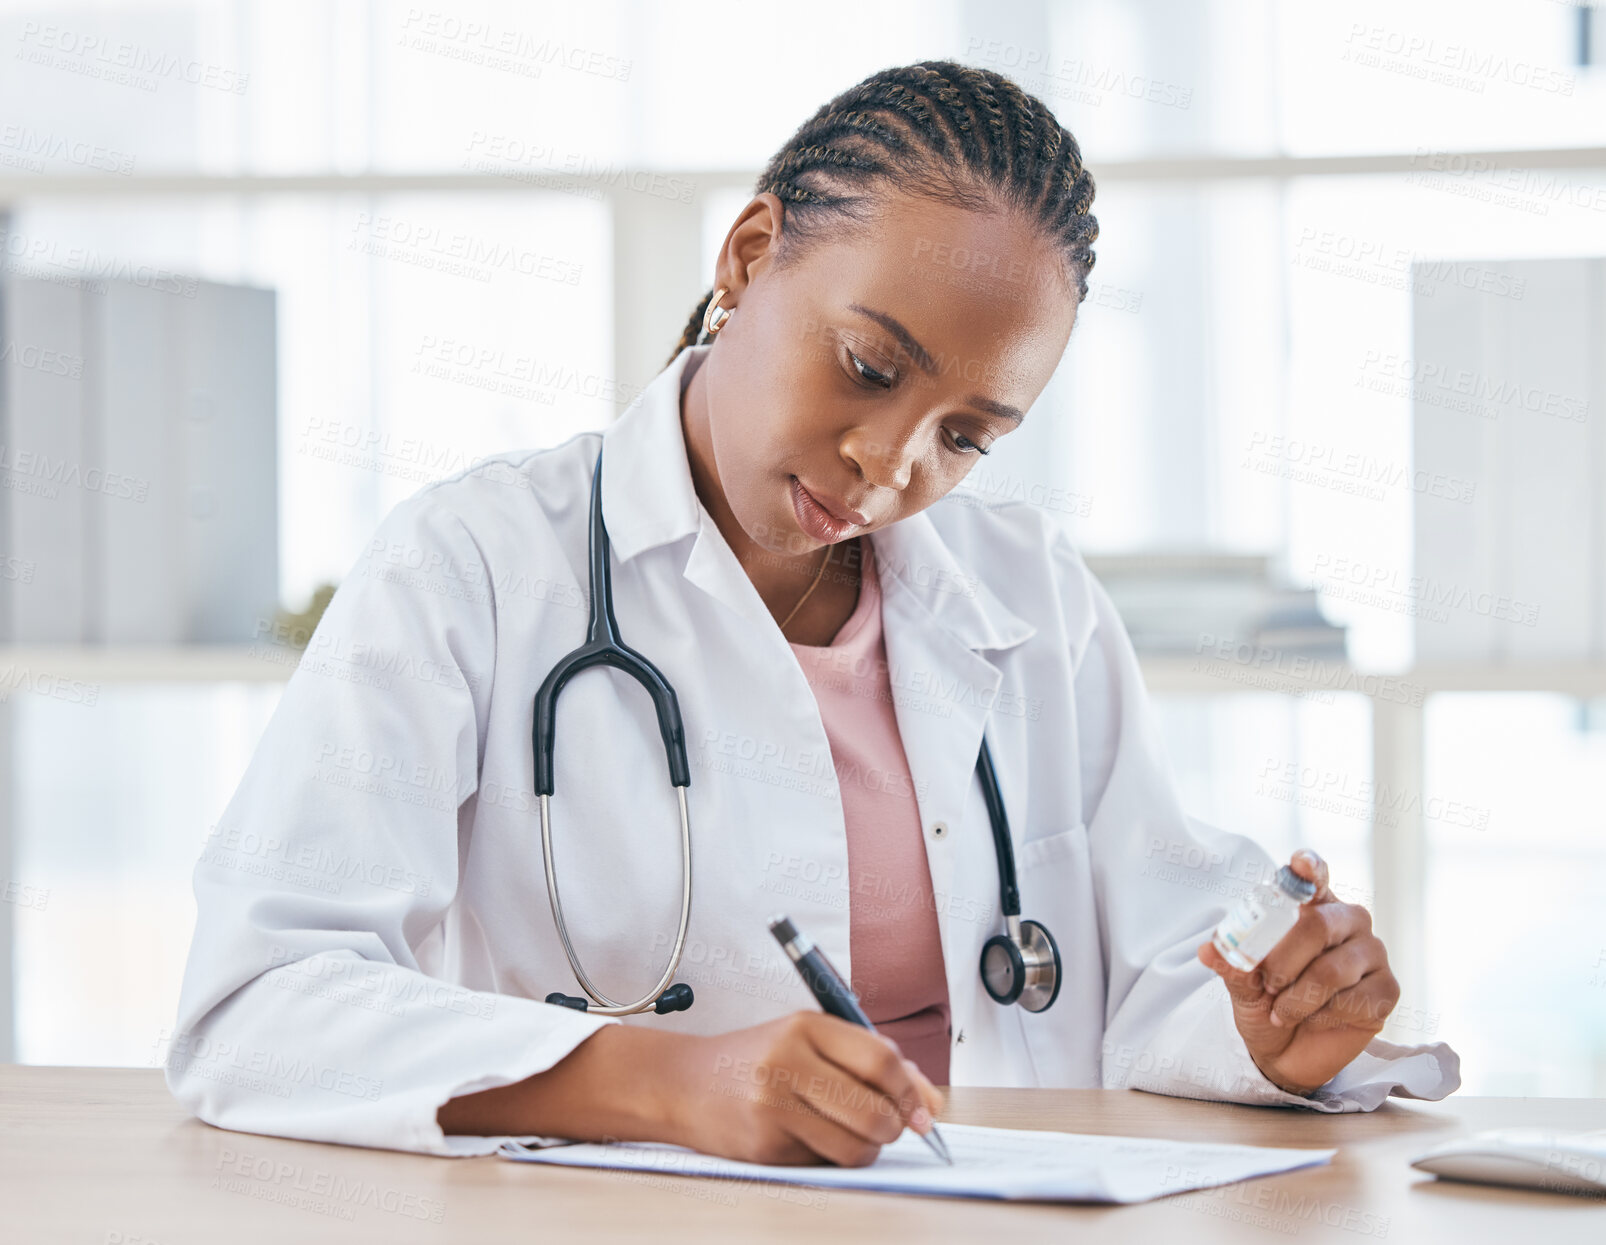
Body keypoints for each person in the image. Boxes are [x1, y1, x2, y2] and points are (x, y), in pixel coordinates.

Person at [166, 59, 1458, 1166]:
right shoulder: (474, 567)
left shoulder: (1026, 594)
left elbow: (1139, 975)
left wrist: (1267, 1027)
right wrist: (665, 1085)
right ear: (745, 257)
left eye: (965, 435)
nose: (892, 466)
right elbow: (258, 1003)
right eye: (866, 366)